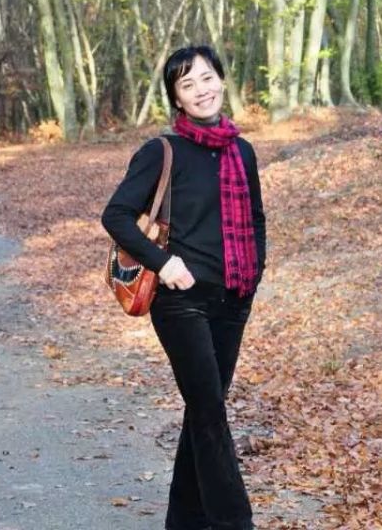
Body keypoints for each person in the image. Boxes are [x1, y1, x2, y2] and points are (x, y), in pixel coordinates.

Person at [101, 45, 266, 530]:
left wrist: (254, 273)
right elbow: (116, 215)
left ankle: (185, 521)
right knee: (210, 412)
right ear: (176, 97)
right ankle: (234, 523)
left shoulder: (242, 151)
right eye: (187, 84)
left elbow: (256, 218)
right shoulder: (162, 152)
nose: (201, 90)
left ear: (222, 80)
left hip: (233, 299)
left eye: (207, 78)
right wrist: (164, 262)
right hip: (181, 303)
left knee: (203, 411)